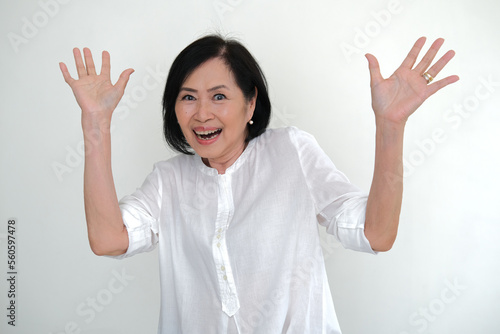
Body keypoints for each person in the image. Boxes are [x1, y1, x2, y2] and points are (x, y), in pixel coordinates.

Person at [59, 34, 458, 333]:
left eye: (219, 97)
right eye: (187, 97)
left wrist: (390, 127)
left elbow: (375, 234)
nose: (201, 114)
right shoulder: (169, 180)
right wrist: (95, 125)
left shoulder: (291, 151)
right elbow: (109, 239)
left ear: (250, 103)